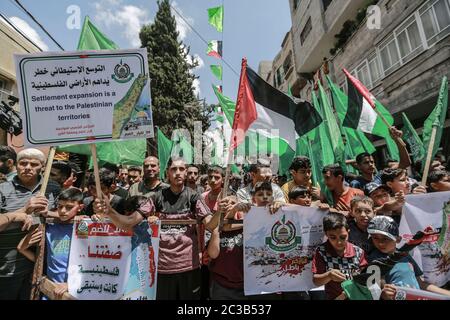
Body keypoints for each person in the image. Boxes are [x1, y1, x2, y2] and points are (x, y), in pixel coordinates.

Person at [95, 157, 212, 300]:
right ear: (167, 173)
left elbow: (211, 224)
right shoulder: (156, 197)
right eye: (174, 169)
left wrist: (221, 212)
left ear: (186, 172)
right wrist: (109, 211)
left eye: (181, 169)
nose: (178, 173)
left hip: (189, 268)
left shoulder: (194, 197)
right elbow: (129, 222)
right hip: (162, 269)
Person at [0, 148, 59, 300]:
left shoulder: (52, 188)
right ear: (16, 165)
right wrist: (24, 210)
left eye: (33, 164)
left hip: (38, 267)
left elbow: (63, 217)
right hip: (7, 268)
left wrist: (49, 214)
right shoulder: (2, 189)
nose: (27, 167)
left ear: (42, 167)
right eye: (23, 163)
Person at [17, 188, 86, 299]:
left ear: (80, 208)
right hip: (50, 289)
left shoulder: (83, 227)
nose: (63, 211)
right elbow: (24, 249)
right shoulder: (49, 226)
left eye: (69, 207)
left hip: (76, 290)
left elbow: (89, 262)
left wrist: (71, 284)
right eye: (60, 206)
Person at [367, 216, 450, 299]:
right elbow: (377, 290)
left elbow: (421, 284)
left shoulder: (405, 255)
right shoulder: (375, 258)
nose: (380, 243)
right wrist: (384, 294)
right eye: (375, 238)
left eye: (386, 239)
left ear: (398, 239)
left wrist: (447, 294)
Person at [312, 213, 368, 300]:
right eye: (333, 237)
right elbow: (316, 281)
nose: (339, 242)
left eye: (343, 237)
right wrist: (329, 275)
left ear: (348, 231)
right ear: (326, 234)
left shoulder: (358, 252)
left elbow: (365, 277)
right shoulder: (322, 251)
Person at [207, 195, 246, 300]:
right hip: (221, 285)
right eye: (226, 204)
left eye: (233, 204)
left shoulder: (247, 226)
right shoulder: (216, 229)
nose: (230, 207)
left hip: (244, 285)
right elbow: (213, 254)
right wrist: (217, 229)